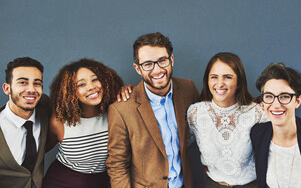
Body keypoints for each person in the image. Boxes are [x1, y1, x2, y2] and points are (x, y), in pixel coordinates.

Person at [106, 32, 199, 188]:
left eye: (162, 60)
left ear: (172, 60)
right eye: (148, 64)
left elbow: (215, 112)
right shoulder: (121, 109)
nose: (157, 70)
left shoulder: (188, 89)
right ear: (137, 68)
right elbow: (117, 165)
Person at [187, 52, 267, 188]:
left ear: (239, 82)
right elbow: (181, 145)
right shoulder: (195, 113)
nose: (220, 83)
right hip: (213, 184)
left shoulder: (258, 113)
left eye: (227, 77)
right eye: (214, 77)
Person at [42, 58, 123, 188]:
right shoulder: (59, 122)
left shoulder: (116, 111)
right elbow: (36, 152)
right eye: (81, 84)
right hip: (60, 182)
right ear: (69, 91)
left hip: (99, 183)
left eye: (95, 79)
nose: (91, 87)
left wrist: (129, 90)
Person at [250, 63, 301, 188]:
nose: (276, 104)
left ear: (298, 101)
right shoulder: (258, 133)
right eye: (269, 96)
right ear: (262, 102)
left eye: (284, 96)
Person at [0, 57, 50, 188]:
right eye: (23, 82)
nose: (31, 89)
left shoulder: (45, 110)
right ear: (7, 88)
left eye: (37, 83)